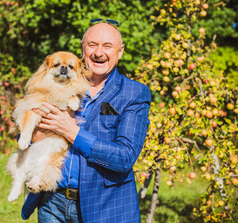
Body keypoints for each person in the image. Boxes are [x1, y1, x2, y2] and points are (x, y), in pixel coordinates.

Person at [20, 19, 151, 222]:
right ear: (83, 49)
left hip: (103, 207)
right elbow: (27, 133)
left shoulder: (134, 93)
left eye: (107, 46)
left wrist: (73, 133)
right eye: (92, 45)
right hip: (52, 202)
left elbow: (125, 157)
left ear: (120, 51)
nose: (99, 52)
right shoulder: (60, 84)